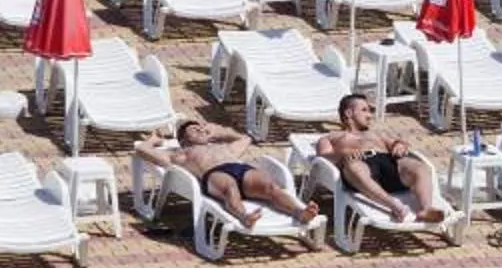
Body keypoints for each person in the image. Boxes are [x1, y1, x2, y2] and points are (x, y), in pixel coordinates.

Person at [136, 116, 320, 229]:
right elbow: (142, 150)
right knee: (230, 188)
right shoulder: (181, 154)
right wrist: (153, 140)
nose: (200, 130)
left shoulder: (223, 147)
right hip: (214, 174)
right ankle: (244, 217)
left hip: (239, 168)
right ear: (183, 139)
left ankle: (299, 212)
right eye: (194, 129)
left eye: (200, 127)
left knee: (271, 187)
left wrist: (219, 131)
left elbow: (245, 138)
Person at [316, 92, 448, 224]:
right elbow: (323, 157)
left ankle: (426, 209)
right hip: (360, 166)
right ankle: (396, 207)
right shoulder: (331, 138)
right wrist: (344, 156)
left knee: (419, 166)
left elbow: (395, 143)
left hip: (387, 162)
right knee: (353, 166)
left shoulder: (374, 135)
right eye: (364, 110)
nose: (369, 115)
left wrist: (400, 145)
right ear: (349, 113)